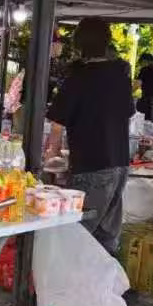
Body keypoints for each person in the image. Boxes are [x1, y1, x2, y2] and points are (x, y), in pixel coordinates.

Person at [45, 18, 135, 253]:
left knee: (77, 233)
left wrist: (53, 156)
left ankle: (75, 276)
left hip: (92, 166)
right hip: (120, 163)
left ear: (79, 44)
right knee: (107, 235)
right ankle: (107, 275)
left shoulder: (78, 78)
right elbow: (126, 116)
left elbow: (57, 125)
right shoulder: (121, 75)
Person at [134, 53, 153, 121]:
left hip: (146, 102)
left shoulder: (145, 70)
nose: (141, 65)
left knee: (143, 122)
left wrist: (128, 93)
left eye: (141, 63)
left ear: (145, 61)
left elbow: (137, 84)